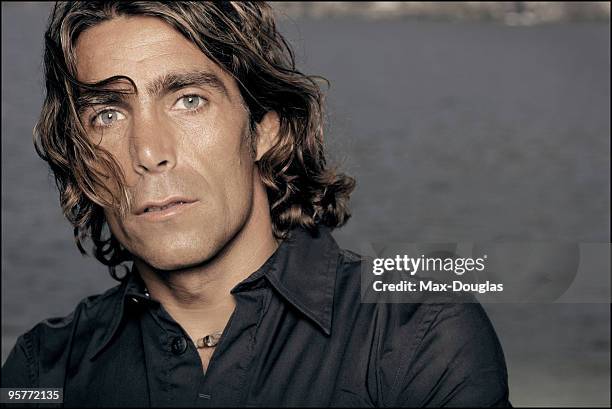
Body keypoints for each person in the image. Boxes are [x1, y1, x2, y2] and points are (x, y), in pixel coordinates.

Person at [1, 2, 510, 406]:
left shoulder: (418, 331)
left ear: (265, 130)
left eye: (189, 100)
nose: (149, 152)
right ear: (81, 159)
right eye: (107, 115)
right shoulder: (41, 372)